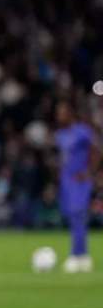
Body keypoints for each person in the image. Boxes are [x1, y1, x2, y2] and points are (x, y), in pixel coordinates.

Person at [54, 101, 97, 272]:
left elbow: (96, 150)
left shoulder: (82, 131)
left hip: (80, 179)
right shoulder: (60, 134)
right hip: (66, 179)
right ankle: (82, 255)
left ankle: (78, 255)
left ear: (70, 114)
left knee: (78, 214)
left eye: (62, 112)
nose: (59, 116)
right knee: (71, 215)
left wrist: (89, 172)